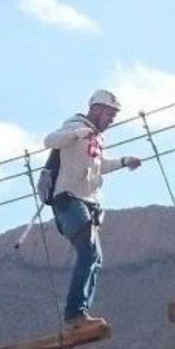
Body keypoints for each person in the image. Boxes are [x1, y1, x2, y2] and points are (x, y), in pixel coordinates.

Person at [42, 89, 142, 328]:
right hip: (68, 200)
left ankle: (80, 312)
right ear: (96, 109)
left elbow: (97, 166)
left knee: (95, 257)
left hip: (86, 202)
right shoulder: (75, 125)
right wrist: (77, 133)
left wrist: (123, 161)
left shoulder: (96, 137)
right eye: (109, 114)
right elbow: (50, 140)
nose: (111, 120)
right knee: (88, 252)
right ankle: (75, 313)